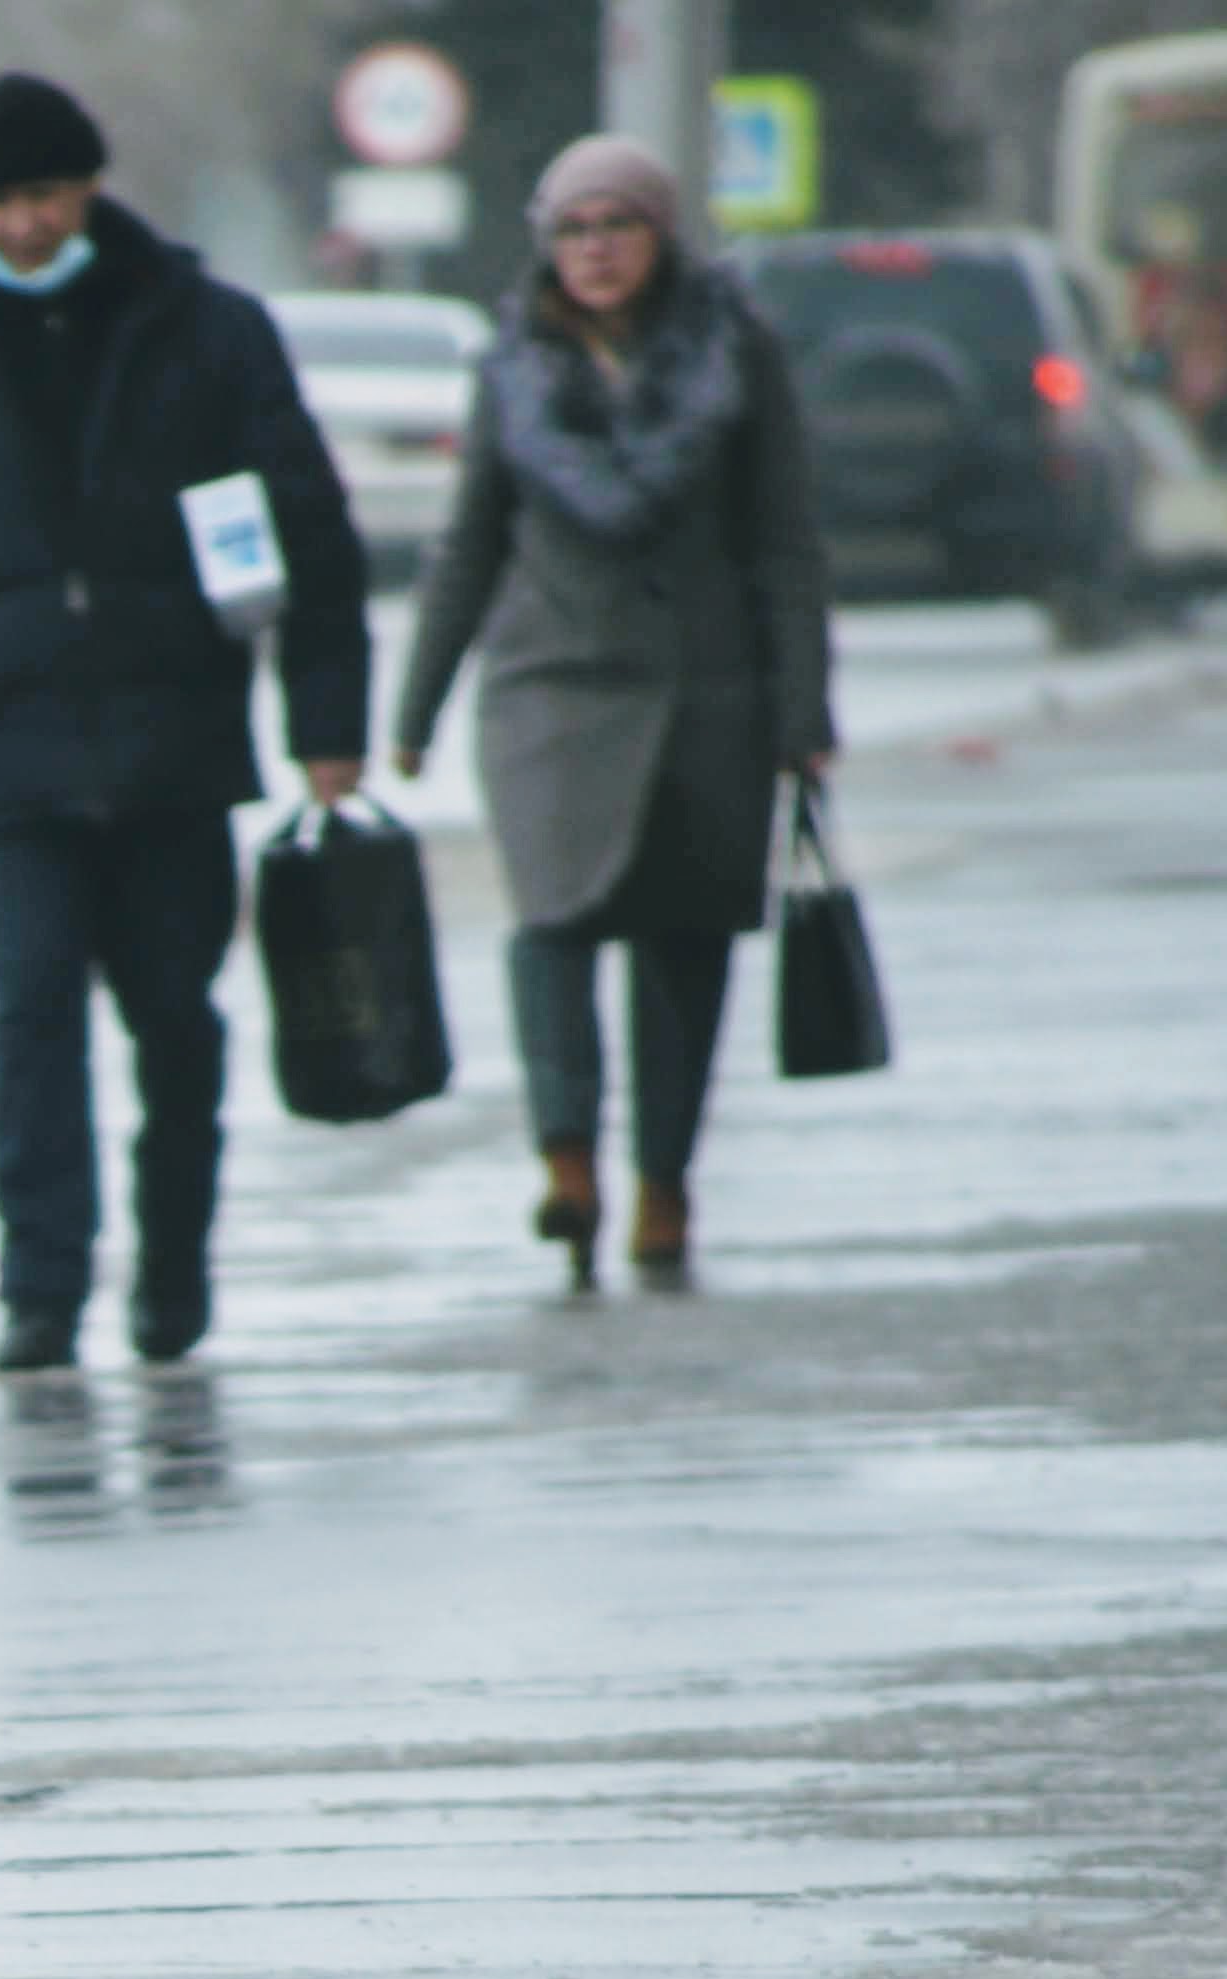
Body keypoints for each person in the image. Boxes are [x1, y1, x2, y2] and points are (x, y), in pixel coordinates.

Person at [0, 71, 371, 1372]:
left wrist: (326, 723)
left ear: (87, 188)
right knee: (28, 1033)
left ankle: (171, 1279)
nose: (23, 223)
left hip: (175, 736)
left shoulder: (206, 328)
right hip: (11, 748)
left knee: (176, 1024)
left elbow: (309, 531)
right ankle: (45, 1292)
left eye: (44, 194)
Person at [392, 134, 833, 1287]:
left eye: (617, 227)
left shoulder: (735, 350)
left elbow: (784, 542)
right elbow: (468, 544)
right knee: (549, 927)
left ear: (660, 236)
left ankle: (663, 1185)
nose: (593, 251)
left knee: (683, 947)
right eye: (571, 231)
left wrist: (802, 711)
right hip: (548, 695)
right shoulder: (513, 364)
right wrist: (413, 710)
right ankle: (566, 1164)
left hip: (704, 696)